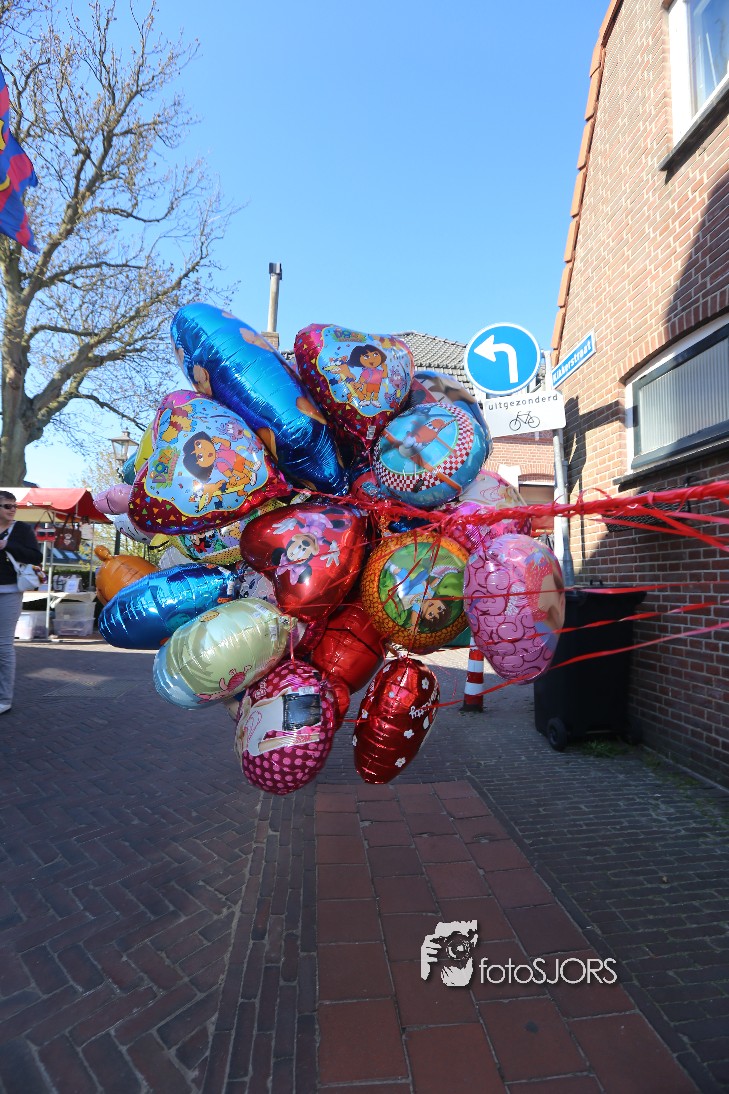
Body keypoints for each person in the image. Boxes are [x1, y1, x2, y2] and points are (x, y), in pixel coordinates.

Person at [0, 491, 43, 714]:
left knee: (3, 645)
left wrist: (7, 545)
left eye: (14, 506)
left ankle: (4, 699)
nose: (13, 510)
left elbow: (36, 557)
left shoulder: (21, 530)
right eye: (7, 506)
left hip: (9, 591)